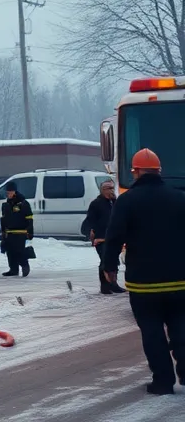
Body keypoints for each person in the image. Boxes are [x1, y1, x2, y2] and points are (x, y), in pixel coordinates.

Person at [102, 148, 185, 395]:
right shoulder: (179, 198)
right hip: (180, 280)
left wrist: (110, 267)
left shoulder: (126, 201)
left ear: (135, 172)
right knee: (182, 327)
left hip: (144, 283)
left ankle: (163, 381)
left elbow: (114, 236)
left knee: (152, 332)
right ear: (159, 171)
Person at [82, 178, 124, 295]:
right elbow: (90, 220)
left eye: (112, 188)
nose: (111, 191)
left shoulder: (115, 202)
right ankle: (105, 286)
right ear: (102, 190)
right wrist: (92, 233)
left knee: (114, 261)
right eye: (109, 188)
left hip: (113, 237)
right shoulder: (96, 203)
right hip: (101, 237)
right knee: (104, 261)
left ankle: (114, 284)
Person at [0, 181, 34, 277]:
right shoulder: (6, 204)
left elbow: (29, 218)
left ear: (14, 191)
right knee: (9, 252)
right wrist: (3, 231)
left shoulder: (23, 203)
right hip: (9, 232)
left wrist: (30, 231)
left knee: (19, 251)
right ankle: (13, 269)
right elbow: (4, 219)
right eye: (7, 193)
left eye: (10, 192)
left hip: (20, 231)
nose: (8, 194)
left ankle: (24, 264)